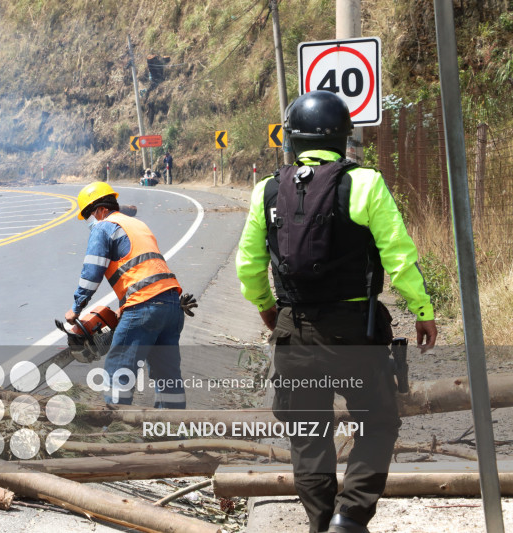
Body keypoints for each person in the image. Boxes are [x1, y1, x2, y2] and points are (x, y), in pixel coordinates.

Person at [236, 91, 437, 533]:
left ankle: (322, 522)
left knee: (307, 434)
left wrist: (270, 312)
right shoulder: (364, 183)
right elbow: (399, 256)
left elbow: (248, 266)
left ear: (290, 139)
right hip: (355, 331)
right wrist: (423, 310)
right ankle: (351, 517)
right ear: (345, 136)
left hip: (294, 329)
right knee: (378, 421)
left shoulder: (266, 190)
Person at [65, 182, 187, 409]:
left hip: (144, 306)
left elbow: (92, 272)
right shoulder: (136, 224)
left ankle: (115, 431)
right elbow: (142, 272)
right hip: (171, 305)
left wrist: (76, 309)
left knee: (118, 371)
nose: (90, 222)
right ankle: (172, 431)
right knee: (168, 377)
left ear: (99, 210)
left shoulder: (104, 227)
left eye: (88, 215)